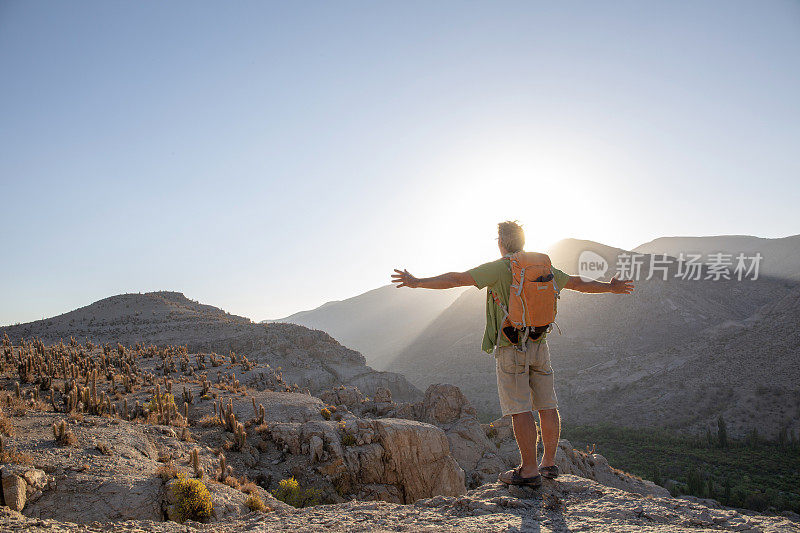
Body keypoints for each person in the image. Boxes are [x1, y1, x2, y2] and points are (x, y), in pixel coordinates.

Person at [391, 220, 634, 487]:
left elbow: (456, 278)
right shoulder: (542, 267)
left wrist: (417, 282)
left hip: (511, 345)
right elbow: (576, 283)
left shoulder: (500, 268)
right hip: (540, 342)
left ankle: (529, 470)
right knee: (547, 404)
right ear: (523, 241)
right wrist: (610, 287)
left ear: (501, 243)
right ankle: (549, 464)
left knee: (520, 409)